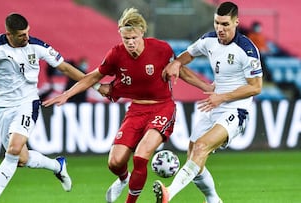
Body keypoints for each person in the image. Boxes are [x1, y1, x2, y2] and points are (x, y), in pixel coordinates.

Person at [43, 7, 212, 203]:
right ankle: (124, 179)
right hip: (136, 110)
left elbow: (180, 70)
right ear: (120, 36)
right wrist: (67, 94)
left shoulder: (161, 49)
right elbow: (93, 77)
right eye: (126, 38)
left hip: (162, 107)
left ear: (142, 33)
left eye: (133, 38)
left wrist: (205, 86)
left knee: (140, 157)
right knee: (115, 163)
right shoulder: (116, 54)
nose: (130, 42)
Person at [0, 13, 87, 203]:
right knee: (21, 159)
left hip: (27, 103)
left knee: (14, 149)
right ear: (9, 34)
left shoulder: (36, 45)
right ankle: (58, 166)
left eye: (27, 33)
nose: (26, 37)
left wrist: (95, 84)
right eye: (21, 35)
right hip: (2, 107)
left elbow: (65, 67)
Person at [152, 2, 263, 203]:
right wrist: (177, 62)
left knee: (202, 147)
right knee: (194, 154)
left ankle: (169, 193)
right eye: (217, 23)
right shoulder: (209, 39)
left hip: (235, 110)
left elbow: (256, 87)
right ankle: (213, 200)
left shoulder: (246, 50)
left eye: (225, 24)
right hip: (213, 106)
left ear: (236, 22)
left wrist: (222, 96)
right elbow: (189, 53)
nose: (220, 29)